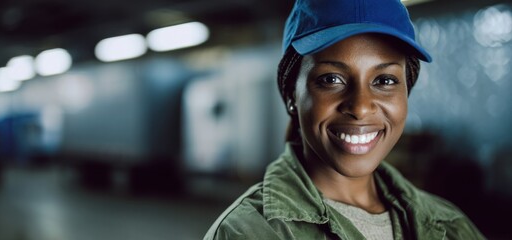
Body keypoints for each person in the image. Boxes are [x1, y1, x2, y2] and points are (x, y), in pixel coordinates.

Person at [204, 0, 485, 239]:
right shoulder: (248, 231)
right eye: (331, 79)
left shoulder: (450, 225)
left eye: (385, 80)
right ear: (291, 95)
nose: (361, 107)